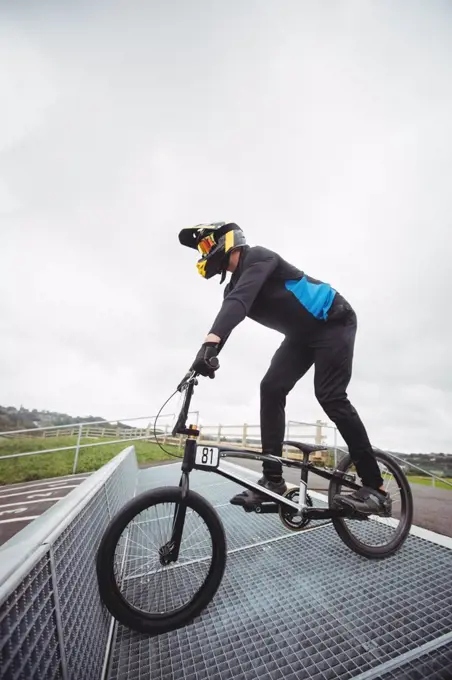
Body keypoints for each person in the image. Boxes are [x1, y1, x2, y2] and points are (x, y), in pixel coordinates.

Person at [179, 222, 391, 516]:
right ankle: (273, 480)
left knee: (330, 396)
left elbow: (241, 301)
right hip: (301, 336)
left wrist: (211, 343)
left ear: (226, 240)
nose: (204, 254)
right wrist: (200, 360)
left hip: (334, 321)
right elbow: (230, 312)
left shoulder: (259, 257)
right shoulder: (232, 287)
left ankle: (375, 488)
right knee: (271, 388)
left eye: (205, 246)